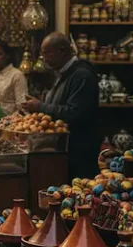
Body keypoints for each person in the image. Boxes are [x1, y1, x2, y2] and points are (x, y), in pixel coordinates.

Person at [22, 32, 98, 178]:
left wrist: (41, 106)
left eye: (47, 53)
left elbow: (75, 113)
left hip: (78, 153)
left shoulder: (82, 76)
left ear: (62, 51)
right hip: (62, 152)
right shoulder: (62, 74)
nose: (44, 59)